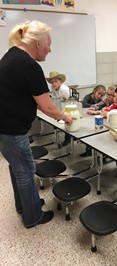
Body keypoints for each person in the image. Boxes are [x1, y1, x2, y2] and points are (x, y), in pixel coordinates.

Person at [0, 20, 75, 228]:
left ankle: (25, 205)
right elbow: (48, 107)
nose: (50, 50)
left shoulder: (11, 55)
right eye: (49, 44)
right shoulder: (29, 65)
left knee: (17, 169)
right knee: (25, 170)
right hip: (11, 129)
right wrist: (66, 117)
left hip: (5, 127)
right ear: (37, 44)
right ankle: (33, 216)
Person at [46, 71, 71, 146]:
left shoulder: (64, 89)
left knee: (66, 122)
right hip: (59, 107)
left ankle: (68, 138)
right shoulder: (52, 88)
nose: (54, 84)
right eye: (52, 82)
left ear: (60, 81)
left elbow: (69, 100)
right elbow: (55, 98)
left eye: (56, 81)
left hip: (67, 107)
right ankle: (58, 136)